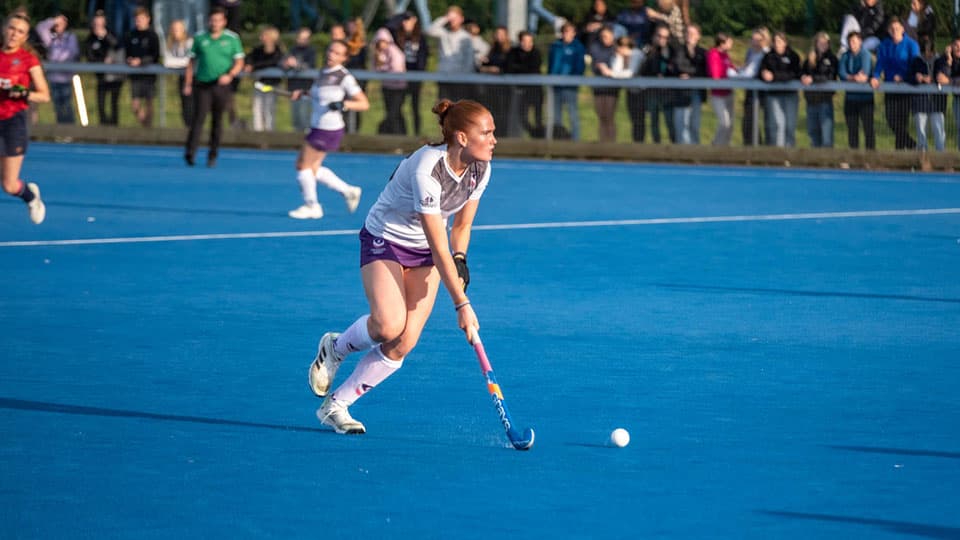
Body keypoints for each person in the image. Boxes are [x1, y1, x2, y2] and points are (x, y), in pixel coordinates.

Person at [307, 99, 494, 435]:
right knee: (387, 325)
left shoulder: (481, 169)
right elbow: (439, 243)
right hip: (387, 239)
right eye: (487, 133)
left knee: (403, 342)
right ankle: (335, 348)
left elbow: (461, 227)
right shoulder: (428, 167)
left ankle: (336, 405)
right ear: (463, 138)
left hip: (424, 251)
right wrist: (461, 304)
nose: (494, 139)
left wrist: (461, 258)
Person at [287, 39, 368, 220]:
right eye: (331, 50)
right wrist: (303, 94)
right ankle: (349, 190)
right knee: (312, 168)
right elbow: (319, 97)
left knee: (303, 165)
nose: (332, 55)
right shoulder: (323, 72)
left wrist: (343, 104)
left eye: (337, 53)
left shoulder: (344, 77)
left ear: (344, 58)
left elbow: (363, 103)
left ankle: (312, 206)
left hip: (329, 128)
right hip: (318, 125)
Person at [1, 11, 51, 224]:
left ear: (25, 37)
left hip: (14, 122)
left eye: (20, 31)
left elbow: (44, 95)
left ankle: (31, 197)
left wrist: (24, 93)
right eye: (12, 28)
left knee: (9, 185)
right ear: (4, 29)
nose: (14, 34)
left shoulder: (28, 60)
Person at [183, 7, 244, 167]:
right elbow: (191, 62)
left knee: (217, 121)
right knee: (198, 118)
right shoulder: (200, 38)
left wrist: (230, 75)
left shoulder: (232, 38)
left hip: (221, 86)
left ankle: (212, 155)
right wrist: (188, 83)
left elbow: (239, 62)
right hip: (203, 84)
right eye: (212, 20)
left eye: (218, 20)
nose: (215, 23)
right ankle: (190, 152)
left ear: (224, 22)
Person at [870, 17, 920, 150]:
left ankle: (900, 155)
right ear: (888, 31)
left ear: (903, 29)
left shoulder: (911, 44)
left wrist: (904, 76)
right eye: (892, 29)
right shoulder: (885, 44)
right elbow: (880, 62)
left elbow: (916, 65)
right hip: (890, 87)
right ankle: (913, 145)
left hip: (906, 88)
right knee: (891, 120)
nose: (895, 31)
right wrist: (875, 76)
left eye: (897, 28)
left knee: (902, 122)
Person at [760, 32, 801, 148]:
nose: (777, 44)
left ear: (785, 42)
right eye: (775, 41)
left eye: (780, 41)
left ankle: (789, 155)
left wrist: (775, 77)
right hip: (774, 95)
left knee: (790, 126)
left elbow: (794, 74)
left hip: (790, 96)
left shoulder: (793, 56)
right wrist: (763, 74)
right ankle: (779, 156)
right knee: (778, 125)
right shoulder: (768, 56)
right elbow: (762, 71)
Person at [389, 12, 428, 136]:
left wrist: (419, 73)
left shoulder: (420, 37)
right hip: (401, 77)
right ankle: (401, 133)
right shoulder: (397, 35)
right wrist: (400, 18)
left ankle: (416, 134)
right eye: (404, 21)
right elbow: (389, 25)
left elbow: (423, 56)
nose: (406, 23)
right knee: (398, 106)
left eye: (408, 20)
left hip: (415, 77)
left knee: (415, 107)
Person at [36, 14, 78, 125]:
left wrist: (57, 61)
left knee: (67, 106)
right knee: (58, 107)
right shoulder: (51, 38)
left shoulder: (70, 37)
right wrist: (53, 20)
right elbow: (40, 27)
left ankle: (70, 131)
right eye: (57, 24)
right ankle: (61, 132)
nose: (58, 26)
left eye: (61, 23)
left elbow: (71, 53)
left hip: (66, 78)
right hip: (54, 78)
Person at [84, 10, 124, 126]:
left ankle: (114, 131)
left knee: (113, 103)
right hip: (101, 76)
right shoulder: (91, 38)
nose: (98, 26)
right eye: (96, 23)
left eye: (100, 23)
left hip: (115, 76)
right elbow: (89, 57)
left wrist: (105, 36)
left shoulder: (111, 34)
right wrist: (102, 61)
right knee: (101, 104)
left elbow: (118, 46)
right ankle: (103, 129)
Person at [426, 6, 474, 101]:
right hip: (444, 77)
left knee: (458, 108)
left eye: (455, 18)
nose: (453, 21)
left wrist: (464, 77)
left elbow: (469, 60)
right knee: (443, 108)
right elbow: (429, 31)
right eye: (451, 19)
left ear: (461, 19)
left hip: (460, 80)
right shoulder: (443, 33)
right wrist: (445, 18)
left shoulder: (466, 37)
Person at [548, 21, 585, 140]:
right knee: (556, 116)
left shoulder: (578, 47)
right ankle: (558, 140)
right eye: (564, 32)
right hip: (555, 86)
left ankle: (575, 142)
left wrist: (572, 80)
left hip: (570, 87)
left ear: (574, 33)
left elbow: (580, 67)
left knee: (572, 115)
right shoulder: (555, 46)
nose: (566, 34)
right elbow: (551, 64)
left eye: (569, 32)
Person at [124, 7, 161, 128]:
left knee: (149, 103)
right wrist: (129, 59)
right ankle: (145, 126)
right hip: (135, 76)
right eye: (136, 19)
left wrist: (141, 61)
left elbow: (155, 55)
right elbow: (127, 53)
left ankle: (148, 128)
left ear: (148, 19)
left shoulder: (152, 35)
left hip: (149, 76)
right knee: (135, 106)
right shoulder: (131, 35)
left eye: (141, 19)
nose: (138, 22)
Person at [909, 39, 948, 152]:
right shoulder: (916, 61)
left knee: (939, 130)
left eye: (929, 53)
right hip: (920, 101)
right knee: (921, 131)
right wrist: (917, 77)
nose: (927, 56)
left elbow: (944, 74)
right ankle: (923, 158)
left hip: (937, 102)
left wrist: (935, 79)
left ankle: (941, 157)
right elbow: (909, 77)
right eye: (924, 53)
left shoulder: (940, 61)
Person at [838, 31, 875, 149]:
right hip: (850, 99)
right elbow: (842, 73)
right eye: (850, 41)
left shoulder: (865, 54)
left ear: (860, 41)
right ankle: (854, 159)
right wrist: (853, 77)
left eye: (854, 41)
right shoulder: (845, 56)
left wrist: (853, 77)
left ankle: (870, 158)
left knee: (868, 129)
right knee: (852, 130)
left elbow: (865, 74)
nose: (852, 44)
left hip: (866, 100)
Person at [244, 26, 285, 132]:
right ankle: (258, 134)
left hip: (271, 85)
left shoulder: (278, 50)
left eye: (264, 35)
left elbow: (272, 62)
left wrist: (254, 67)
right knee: (257, 109)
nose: (261, 37)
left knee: (269, 109)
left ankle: (269, 134)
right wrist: (248, 64)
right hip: (259, 84)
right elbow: (248, 58)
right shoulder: (258, 50)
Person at [801, 32, 838, 148]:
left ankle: (827, 164)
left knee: (826, 136)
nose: (823, 44)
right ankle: (815, 163)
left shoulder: (832, 59)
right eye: (820, 42)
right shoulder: (809, 59)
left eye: (825, 42)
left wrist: (813, 79)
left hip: (825, 101)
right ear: (816, 43)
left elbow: (830, 77)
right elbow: (802, 72)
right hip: (811, 101)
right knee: (813, 134)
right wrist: (802, 76)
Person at [504, 30, 544, 138]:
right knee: (522, 117)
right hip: (521, 91)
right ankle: (533, 134)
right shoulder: (513, 52)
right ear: (520, 41)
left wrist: (519, 69)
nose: (527, 44)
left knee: (538, 118)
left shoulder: (536, 53)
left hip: (535, 90)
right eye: (524, 41)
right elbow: (508, 67)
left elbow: (533, 68)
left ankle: (540, 139)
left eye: (529, 41)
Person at [641, 23, 676, 144]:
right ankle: (657, 147)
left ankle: (675, 148)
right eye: (659, 36)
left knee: (670, 121)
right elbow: (642, 70)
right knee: (654, 121)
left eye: (665, 37)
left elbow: (676, 68)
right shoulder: (647, 50)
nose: (662, 39)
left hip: (668, 92)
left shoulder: (672, 51)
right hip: (652, 91)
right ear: (654, 36)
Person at [671, 23, 706, 145]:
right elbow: (679, 66)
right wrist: (694, 71)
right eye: (688, 33)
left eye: (693, 33)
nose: (690, 36)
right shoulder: (678, 50)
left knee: (694, 124)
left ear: (698, 36)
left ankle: (695, 153)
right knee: (681, 124)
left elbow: (704, 70)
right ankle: (683, 153)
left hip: (696, 92)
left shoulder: (702, 53)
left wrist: (691, 75)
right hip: (681, 93)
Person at [738, 26, 770, 146]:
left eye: (759, 40)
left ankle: (762, 150)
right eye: (753, 39)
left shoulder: (767, 53)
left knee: (763, 123)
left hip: (763, 92)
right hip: (750, 91)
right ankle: (749, 149)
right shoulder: (750, 52)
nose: (755, 43)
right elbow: (747, 67)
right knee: (747, 122)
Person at [609, 36, 645, 142]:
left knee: (639, 121)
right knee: (634, 120)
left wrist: (611, 73)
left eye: (617, 48)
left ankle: (640, 145)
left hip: (642, 92)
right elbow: (616, 70)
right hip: (630, 92)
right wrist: (618, 58)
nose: (615, 50)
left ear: (623, 46)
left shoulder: (636, 54)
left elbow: (630, 73)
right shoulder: (621, 56)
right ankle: (636, 144)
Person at [372, 26, 406, 135]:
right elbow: (374, 69)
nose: (381, 44)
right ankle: (397, 135)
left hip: (398, 88)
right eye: (379, 42)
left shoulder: (394, 51)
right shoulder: (378, 53)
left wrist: (382, 69)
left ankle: (395, 135)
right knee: (392, 113)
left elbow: (396, 69)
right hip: (386, 87)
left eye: (383, 41)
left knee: (393, 114)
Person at [478, 26, 511, 134]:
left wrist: (497, 69)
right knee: (492, 112)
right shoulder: (492, 49)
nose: (499, 37)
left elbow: (507, 67)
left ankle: (504, 135)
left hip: (505, 88)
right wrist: (489, 68)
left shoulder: (510, 50)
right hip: (491, 88)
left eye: (502, 34)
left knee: (504, 113)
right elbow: (484, 66)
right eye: (497, 34)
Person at [283, 27, 317, 133]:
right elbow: (282, 63)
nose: (303, 41)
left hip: (306, 89)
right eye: (301, 38)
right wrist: (286, 64)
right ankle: (296, 141)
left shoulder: (311, 51)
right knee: (296, 117)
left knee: (305, 117)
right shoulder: (292, 50)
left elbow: (310, 66)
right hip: (293, 88)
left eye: (305, 38)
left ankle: (307, 141)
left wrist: (296, 64)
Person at [706, 32, 736, 146]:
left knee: (731, 124)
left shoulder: (726, 55)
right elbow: (715, 75)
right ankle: (716, 145)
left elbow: (731, 68)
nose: (731, 44)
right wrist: (728, 75)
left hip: (728, 93)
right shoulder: (714, 54)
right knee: (725, 122)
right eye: (729, 42)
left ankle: (725, 146)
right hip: (718, 94)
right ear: (722, 43)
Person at [162, 19, 193, 128]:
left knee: (192, 107)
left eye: (178, 29)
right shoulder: (171, 43)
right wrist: (182, 63)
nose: (176, 31)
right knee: (184, 107)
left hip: (194, 79)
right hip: (182, 78)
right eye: (174, 29)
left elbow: (189, 61)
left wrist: (179, 62)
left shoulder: (190, 42)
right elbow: (166, 61)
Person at [589, 25, 618, 142]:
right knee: (602, 117)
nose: (605, 38)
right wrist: (601, 66)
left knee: (609, 117)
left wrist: (607, 68)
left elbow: (615, 67)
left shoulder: (616, 48)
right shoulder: (595, 47)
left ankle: (611, 146)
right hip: (598, 88)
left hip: (612, 89)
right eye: (603, 36)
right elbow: (597, 61)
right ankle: (603, 145)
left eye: (607, 36)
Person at [946, 37, 960, 150]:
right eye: (956, 45)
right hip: (957, 100)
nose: (958, 48)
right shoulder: (949, 60)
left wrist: (951, 81)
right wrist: (949, 59)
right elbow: (944, 74)